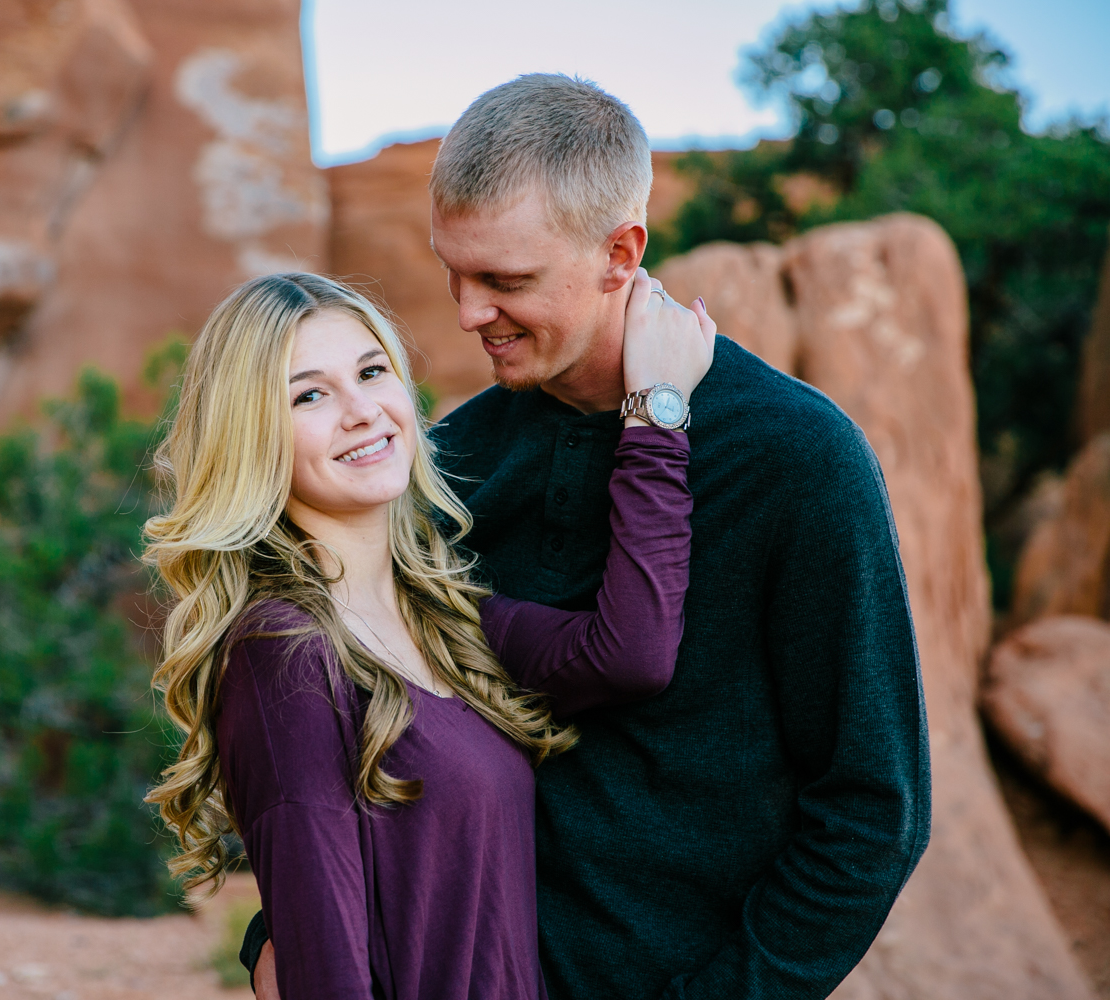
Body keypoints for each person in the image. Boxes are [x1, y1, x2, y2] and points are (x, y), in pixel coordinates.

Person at [243, 74, 930, 1000]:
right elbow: (355, 713)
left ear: (621, 253)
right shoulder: (454, 461)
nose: (466, 313)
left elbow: (871, 811)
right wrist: (278, 937)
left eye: (506, 280)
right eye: (454, 270)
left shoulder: (799, 461)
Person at [143, 268, 715, 999]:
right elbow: (326, 972)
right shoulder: (283, 655)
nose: (362, 411)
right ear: (251, 437)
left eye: (372, 371)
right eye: (309, 394)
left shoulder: (447, 617)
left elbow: (631, 654)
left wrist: (653, 416)